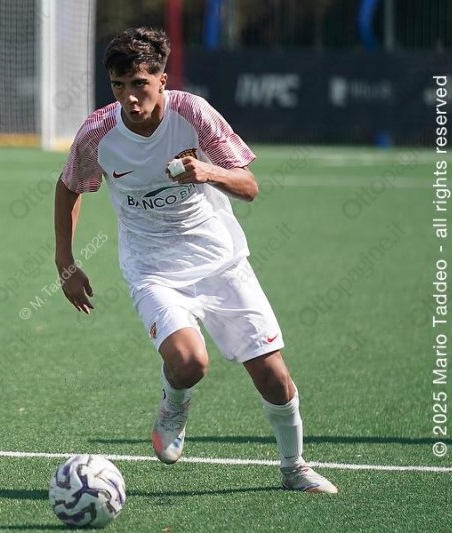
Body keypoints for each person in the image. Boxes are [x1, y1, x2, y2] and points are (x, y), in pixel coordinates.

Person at [53, 27, 337, 494]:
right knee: (189, 362)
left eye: (140, 84)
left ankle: (294, 467)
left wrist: (207, 171)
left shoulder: (193, 113)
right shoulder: (98, 132)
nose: (129, 98)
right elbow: (69, 187)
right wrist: (65, 262)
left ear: (161, 80)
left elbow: (249, 187)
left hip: (221, 263)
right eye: (119, 86)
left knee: (273, 376)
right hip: (152, 269)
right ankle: (174, 406)